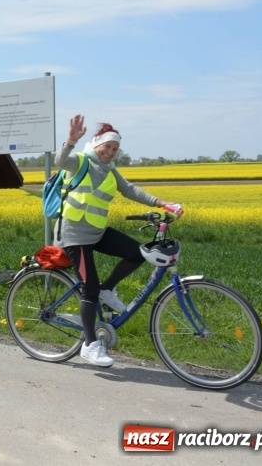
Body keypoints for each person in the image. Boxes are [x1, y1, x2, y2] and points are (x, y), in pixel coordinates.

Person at [55, 115, 182, 368]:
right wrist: (70, 140)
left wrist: (162, 203)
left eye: (115, 149)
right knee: (88, 289)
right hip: (75, 236)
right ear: (96, 144)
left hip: (98, 232)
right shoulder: (80, 162)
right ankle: (90, 345)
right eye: (107, 147)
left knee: (138, 253)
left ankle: (107, 288)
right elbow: (60, 161)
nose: (110, 152)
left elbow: (130, 190)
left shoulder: (110, 170)